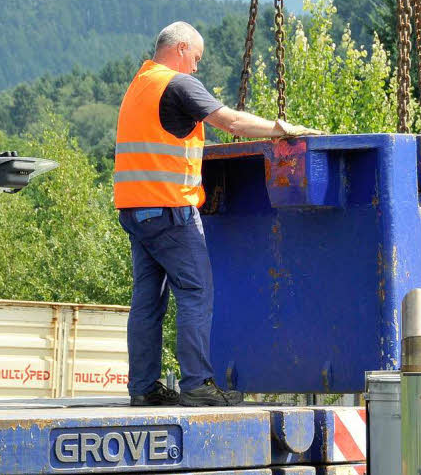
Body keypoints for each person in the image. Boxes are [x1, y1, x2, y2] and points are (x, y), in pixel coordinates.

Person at [115, 21, 321, 408]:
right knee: (195, 291)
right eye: (196, 58)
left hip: (134, 208)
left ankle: (143, 386)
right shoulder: (178, 84)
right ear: (180, 49)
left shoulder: (140, 84)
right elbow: (232, 122)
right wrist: (281, 129)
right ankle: (196, 384)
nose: (196, 67)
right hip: (170, 206)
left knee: (147, 301)